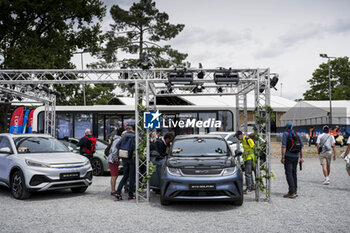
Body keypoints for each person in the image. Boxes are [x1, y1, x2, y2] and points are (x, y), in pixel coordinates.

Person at [281, 122, 304, 198]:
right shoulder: (297, 134)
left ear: (287, 127)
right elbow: (302, 147)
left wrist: (283, 157)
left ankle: (291, 192)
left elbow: (284, 146)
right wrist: (301, 157)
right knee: (294, 173)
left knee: (289, 174)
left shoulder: (285, 134)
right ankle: (295, 190)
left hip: (288, 156)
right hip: (296, 156)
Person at [115, 126, 136, 201]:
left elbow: (117, 145)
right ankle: (130, 195)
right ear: (132, 129)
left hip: (124, 157)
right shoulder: (134, 136)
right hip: (131, 158)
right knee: (132, 176)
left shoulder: (124, 136)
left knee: (125, 176)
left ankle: (118, 192)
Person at [107, 131, 125, 196]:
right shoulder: (118, 140)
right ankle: (113, 190)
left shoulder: (117, 140)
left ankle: (113, 189)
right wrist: (117, 160)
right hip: (113, 160)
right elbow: (114, 151)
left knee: (115, 175)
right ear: (123, 135)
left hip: (113, 160)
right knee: (114, 176)